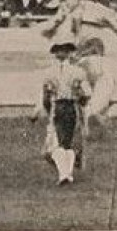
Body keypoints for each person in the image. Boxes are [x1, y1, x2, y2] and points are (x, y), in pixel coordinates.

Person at [31, 42, 91, 185]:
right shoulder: (78, 71)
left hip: (58, 107)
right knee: (68, 143)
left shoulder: (49, 73)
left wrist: (38, 111)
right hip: (71, 107)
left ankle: (64, 174)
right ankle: (67, 174)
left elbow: (44, 95)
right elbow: (87, 93)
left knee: (56, 143)